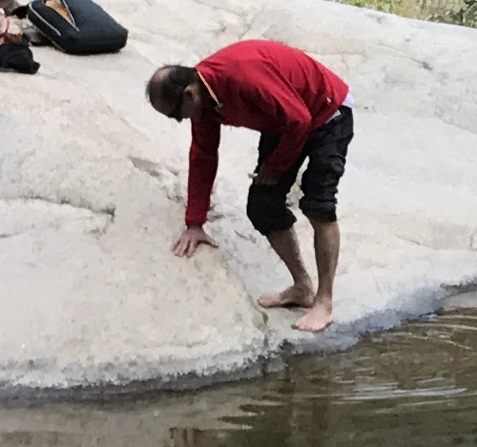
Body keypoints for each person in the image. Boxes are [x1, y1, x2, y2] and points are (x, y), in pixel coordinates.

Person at [147, 39, 353, 331]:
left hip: (328, 112)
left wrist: (275, 166)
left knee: (319, 206)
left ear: (190, 94)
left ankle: (324, 302)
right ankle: (302, 288)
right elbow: (203, 155)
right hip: (284, 120)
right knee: (262, 206)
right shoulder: (204, 101)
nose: (180, 121)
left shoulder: (241, 76)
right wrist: (195, 222)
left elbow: (300, 119)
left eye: (176, 115)